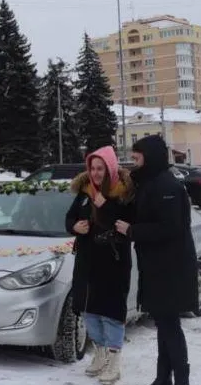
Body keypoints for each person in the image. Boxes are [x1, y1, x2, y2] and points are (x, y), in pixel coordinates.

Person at [115, 135, 196, 385]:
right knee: (164, 325)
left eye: (137, 156)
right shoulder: (150, 183)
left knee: (170, 326)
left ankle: (181, 379)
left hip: (170, 269)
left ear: (149, 156)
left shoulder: (166, 186)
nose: (133, 161)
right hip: (157, 266)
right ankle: (163, 378)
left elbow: (169, 227)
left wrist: (132, 231)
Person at [66, 146, 134, 383]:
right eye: (92, 168)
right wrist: (74, 226)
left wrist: (105, 205)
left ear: (110, 169)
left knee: (111, 314)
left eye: (100, 169)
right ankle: (100, 353)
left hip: (113, 263)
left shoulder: (124, 194)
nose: (95, 173)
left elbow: (126, 225)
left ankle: (114, 362)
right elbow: (69, 218)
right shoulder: (85, 192)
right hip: (87, 262)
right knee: (89, 311)